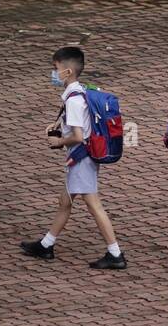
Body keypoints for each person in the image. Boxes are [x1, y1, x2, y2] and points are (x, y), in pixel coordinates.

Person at [21, 46, 126, 268]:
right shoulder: (79, 92)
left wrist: (59, 141)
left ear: (67, 71)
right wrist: (59, 126)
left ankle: (115, 254)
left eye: (55, 68)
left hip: (81, 158)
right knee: (65, 201)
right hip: (82, 158)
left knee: (93, 203)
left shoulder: (73, 100)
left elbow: (79, 136)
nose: (53, 73)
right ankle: (46, 244)